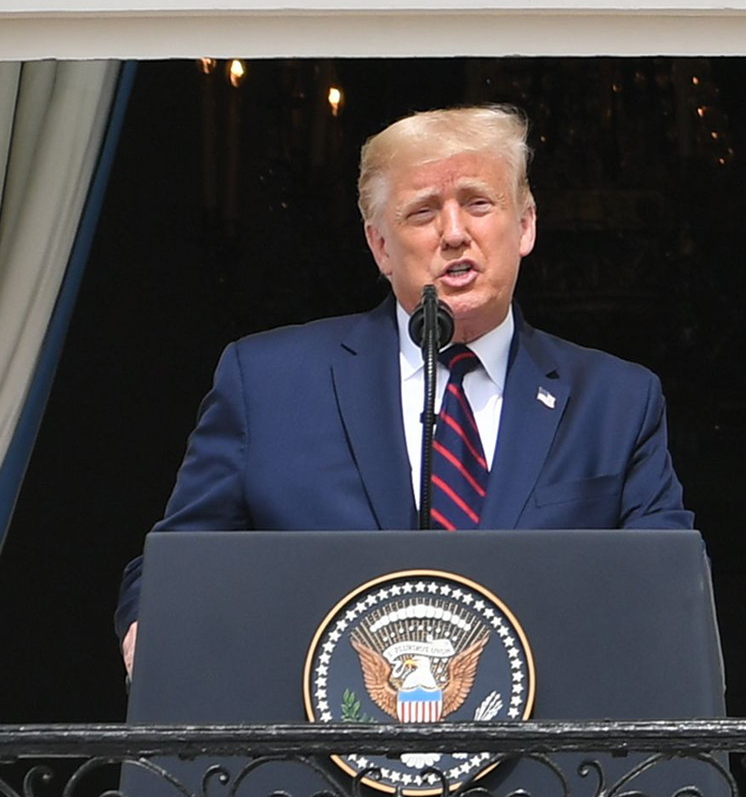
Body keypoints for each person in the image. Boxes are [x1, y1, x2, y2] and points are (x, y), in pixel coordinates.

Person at [115, 104, 697, 665]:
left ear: (525, 225)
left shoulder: (616, 401)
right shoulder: (268, 383)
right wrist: (154, 626)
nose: (454, 233)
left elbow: (669, 591)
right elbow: (175, 565)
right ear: (380, 246)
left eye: (478, 203)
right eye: (422, 212)